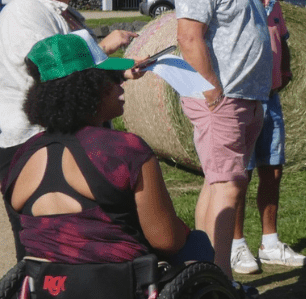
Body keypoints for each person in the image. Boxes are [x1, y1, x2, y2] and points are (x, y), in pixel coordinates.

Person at [2, 33, 214, 265]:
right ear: (89, 87)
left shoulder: (23, 155)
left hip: (46, 290)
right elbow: (168, 241)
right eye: (110, 77)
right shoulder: (127, 150)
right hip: (119, 287)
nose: (120, 82)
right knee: (199, 244)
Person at [0, 0, 138, 256]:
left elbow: (83, 66)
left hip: (65, 143)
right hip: (32, 147)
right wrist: (109, 61)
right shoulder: (25, 13)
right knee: (46, 258)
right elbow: (58, 77)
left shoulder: (64, 14)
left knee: (88, 253)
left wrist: (124, 67)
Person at [174, 0, 272, 284]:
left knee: (218, 184)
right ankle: (221, 285)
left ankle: (201, 278)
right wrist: (213, 93)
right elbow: (189, 36)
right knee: (229, 186)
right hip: (223, 99)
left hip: (245, 98)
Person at [232, 0, 306, 274]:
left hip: (271, 100)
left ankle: (270, 242)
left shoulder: (272, 3)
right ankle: (235, 245)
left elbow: (285, 40)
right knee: (239, 174)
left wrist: (287, 68)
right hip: (242, 99)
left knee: (272, 171)